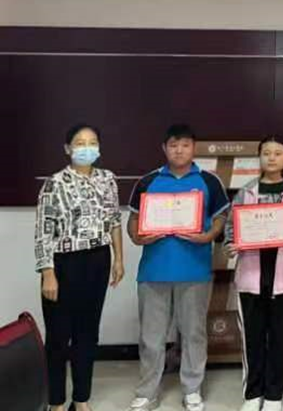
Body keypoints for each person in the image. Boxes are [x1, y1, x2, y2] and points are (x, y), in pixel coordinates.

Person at [126, 124, 230, 411]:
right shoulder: (148, 181)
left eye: (185, 145)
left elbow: (221, 217)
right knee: (151, 337)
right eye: (173, 145)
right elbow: (133, 221)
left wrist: (209, 235)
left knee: (194, 333)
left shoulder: (209, 181)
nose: (179, 150)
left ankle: (192, 389)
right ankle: (147, 392)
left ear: (194, 148)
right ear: (164, 148)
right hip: (153, 272)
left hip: (195, 271)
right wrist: (138, 236)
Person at [224, 134, 283, 411]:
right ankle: (253, 394)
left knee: (279, 339)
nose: (272, 158)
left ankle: (274, 395)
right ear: (259, 156)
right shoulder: (247, 192)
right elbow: (231, 228)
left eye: (278, 153)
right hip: (251, 276)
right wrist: (231, 245)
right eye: (266, 153)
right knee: (252, 338)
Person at [35, 123, 125, 411]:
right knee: (59, 336)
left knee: (88, 333)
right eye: (80, 142)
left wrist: (119, 259)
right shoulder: (54, 183)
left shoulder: (107, 179)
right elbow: (43, 232)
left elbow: (114, 221)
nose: (87, 147)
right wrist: (48, 274)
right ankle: (57, 402)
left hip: (98, 260)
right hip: (64, 264)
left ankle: (81, 399)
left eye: (92, 142)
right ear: (68, 148)